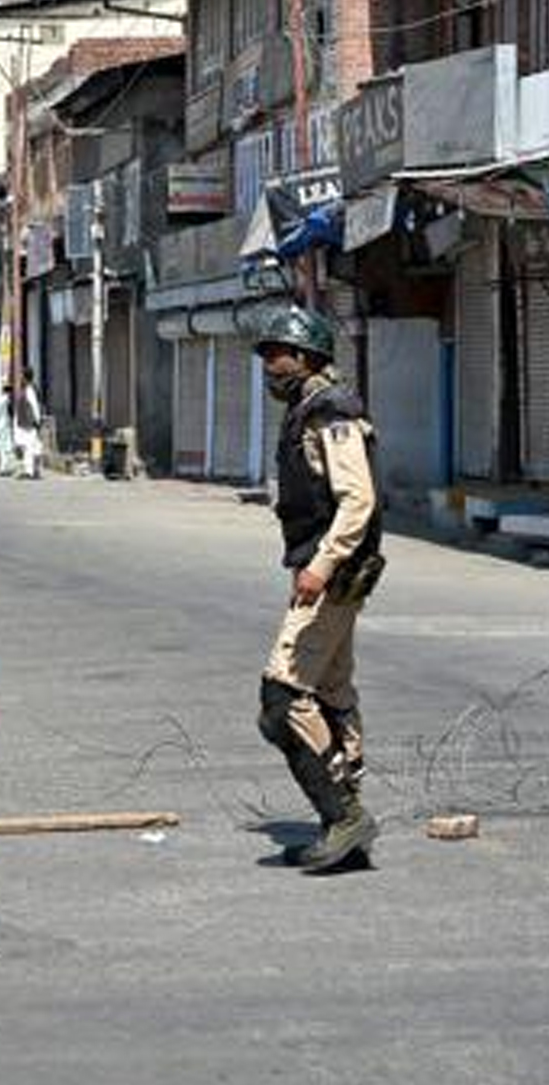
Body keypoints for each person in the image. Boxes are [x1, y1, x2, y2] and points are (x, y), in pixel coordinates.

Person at [253, 302, 384, 872]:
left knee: (281, 701)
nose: (269, 366)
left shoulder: (331, 413)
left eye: (276, 354)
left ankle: (342, 815)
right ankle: (347, 825)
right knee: (330, 693)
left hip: (333, 575)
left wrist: (321, 567)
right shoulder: (308, 409)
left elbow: (359, 500)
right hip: (323, 573)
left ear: (305, 357)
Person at [15, 370, 46, 479]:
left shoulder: (29, 390)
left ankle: (29, 471)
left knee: (29, 447)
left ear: (26, 378)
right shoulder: (27, 389)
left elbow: (34, 406)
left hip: (29, 423)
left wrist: (37, 421)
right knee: (35, 446)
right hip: (27, 422)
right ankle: (35, 470)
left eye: (21, 376)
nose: (20, 379)